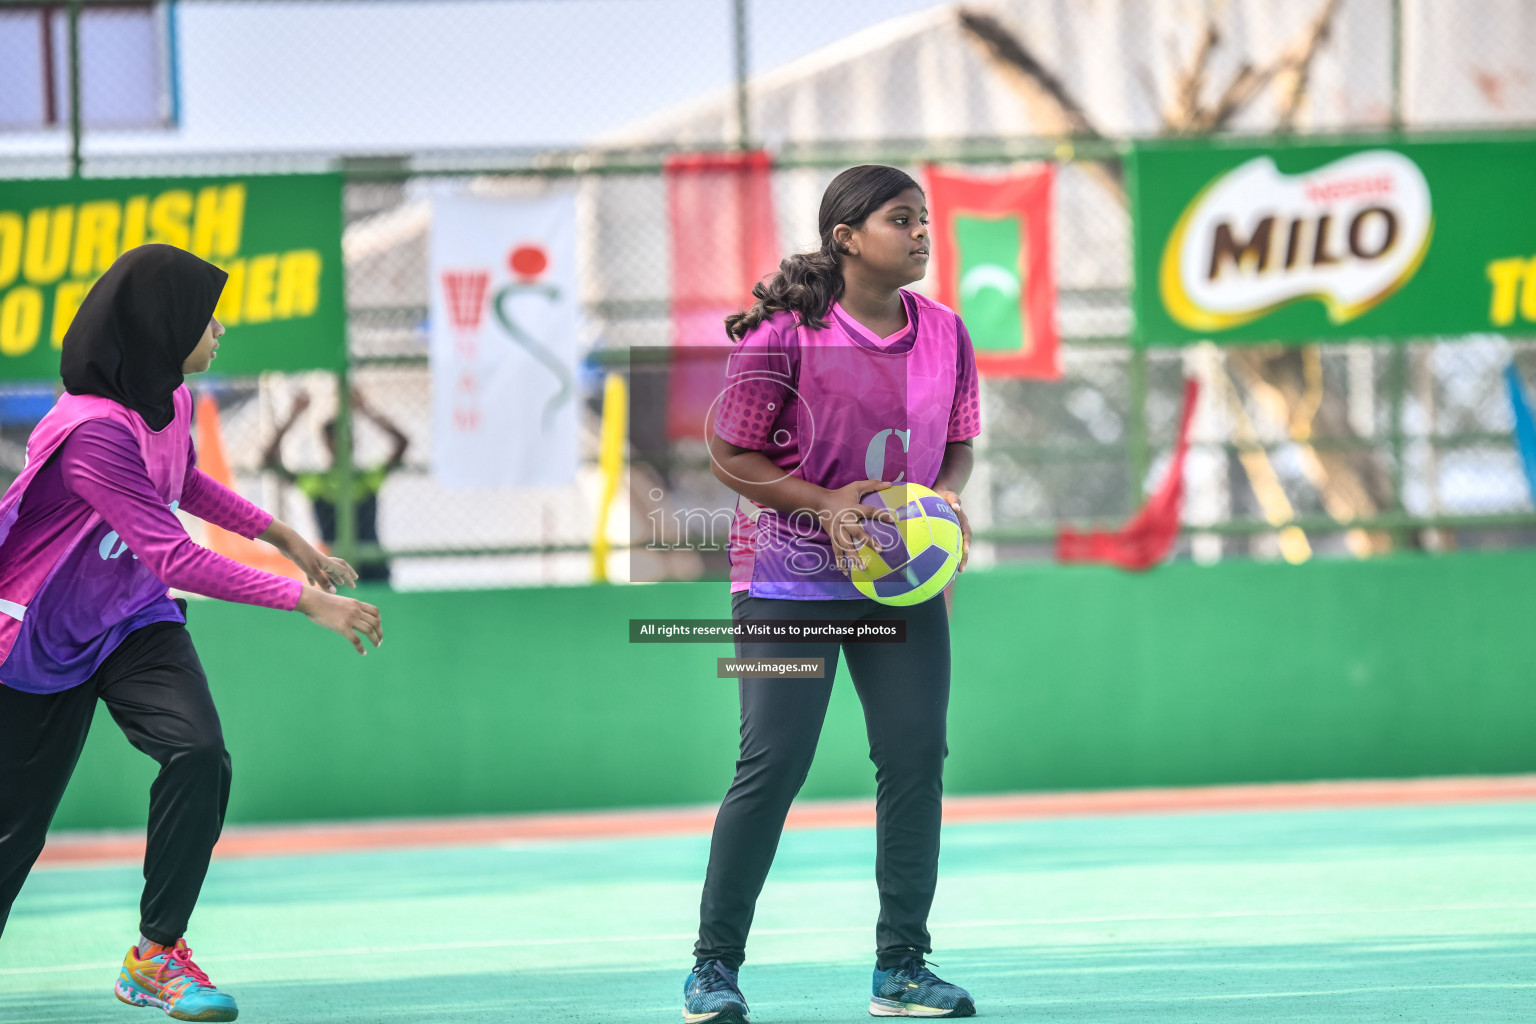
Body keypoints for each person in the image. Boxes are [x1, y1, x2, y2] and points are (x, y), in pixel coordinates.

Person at [0, 244, 382, 1022]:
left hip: (134, 617)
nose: (222, 328)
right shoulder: (89, 433)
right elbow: (173, 551)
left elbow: (183, 483)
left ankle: (156, 956)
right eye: (208, 316)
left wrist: (283, 534)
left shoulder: (166, 401)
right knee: (14, 835)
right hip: (43, 637)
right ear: (160, 326)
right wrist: (308, 603)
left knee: (199, 752)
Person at [683, 165, 980, 1022]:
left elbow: (958, 441)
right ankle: (713, 968)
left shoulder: (947, 333)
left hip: (899, 585)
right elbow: (731, 458)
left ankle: (903, 967)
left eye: (925, 220)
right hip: (788, 581)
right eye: (902, 219)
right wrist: (824, 503)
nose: (922, 233)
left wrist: (944, 498)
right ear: (846, 238)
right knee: (774, 764)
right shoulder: (782, 336)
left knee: (916, 756)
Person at [261, 388, 407, 584]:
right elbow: (269, 461)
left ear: (354, 441)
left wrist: (366, 410)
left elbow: (402, 443)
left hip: (373, 565)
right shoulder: (318, 482)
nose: (341, 444)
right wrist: (293, 415)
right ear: (326, 443)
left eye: (345, 438)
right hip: (334, 567)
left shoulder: (365, 478)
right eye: (335, 439)